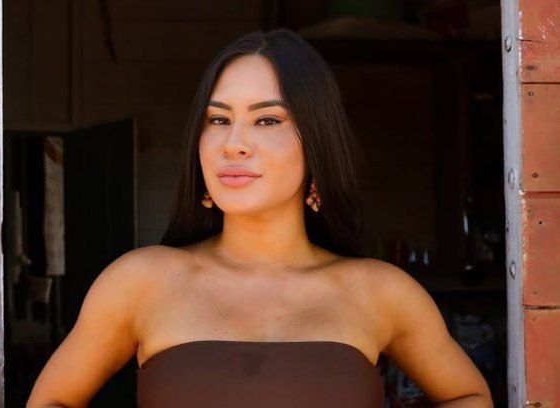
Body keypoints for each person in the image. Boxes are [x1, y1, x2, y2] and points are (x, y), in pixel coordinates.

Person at [27, 28, 492, 407]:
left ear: (317, 144)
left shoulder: (380, 292)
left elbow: (470, 397)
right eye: (218, 120)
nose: (234, 143)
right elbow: (51, 401)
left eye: (267, 120)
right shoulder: (139, 282)